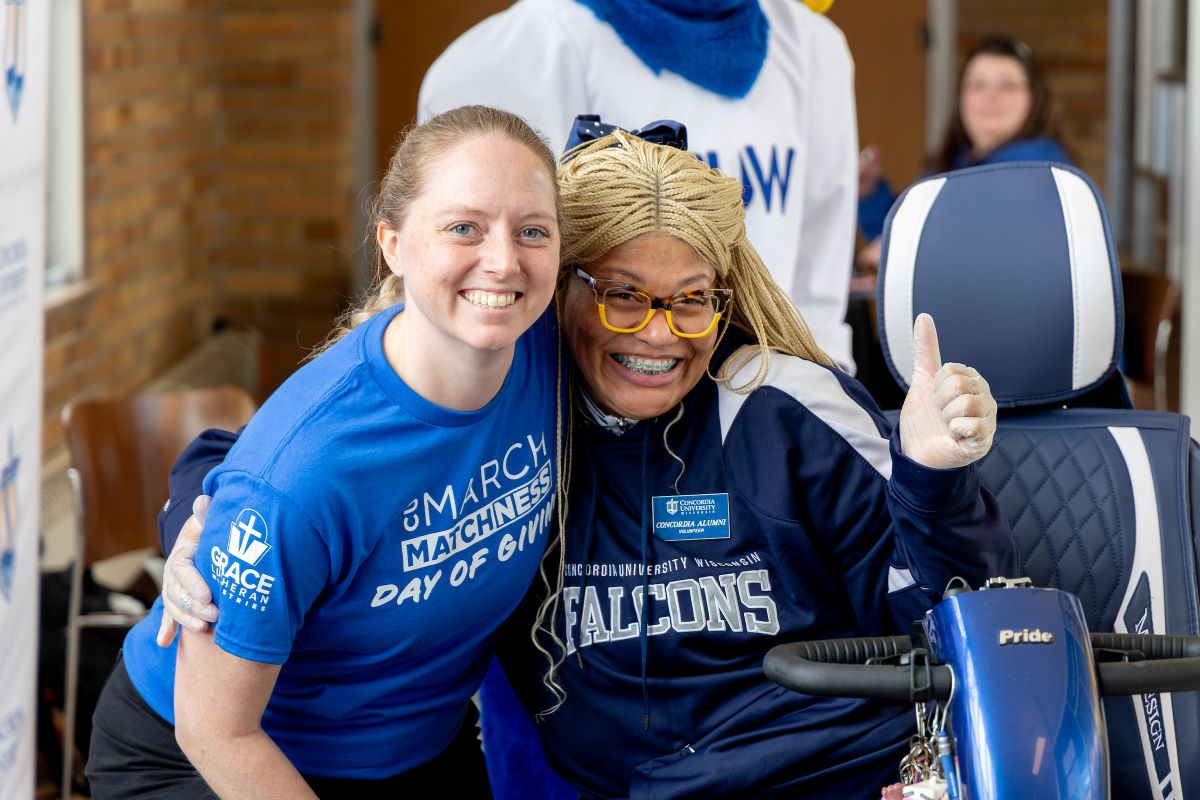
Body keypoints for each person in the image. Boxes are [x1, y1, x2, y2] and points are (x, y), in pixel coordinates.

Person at [158, 119, 1017, 797]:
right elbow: (281, 449)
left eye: (692, 300)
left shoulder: (779, 407)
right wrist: (203, 530)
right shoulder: (517, 383)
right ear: (560, 285)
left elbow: (957, 628)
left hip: (824, 778)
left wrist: (932, 478)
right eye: (622, 296)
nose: (658, 335)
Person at [84, 105, 565, 798]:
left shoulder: (551, 348)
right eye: (464, 227)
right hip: (206, 754)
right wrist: (203, 511)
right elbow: (216, 731)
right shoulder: (302, 474)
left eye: (532, 231)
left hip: (409, 741)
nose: (503, 261)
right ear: (393, 244)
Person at [418, 0, 860, 372]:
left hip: (759, 390)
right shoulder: (521, 50)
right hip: (588, 407)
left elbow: (818, 270)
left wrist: (819, 396)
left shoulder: (812, 46)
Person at [858, 35, 1070, 266]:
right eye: (977, 84)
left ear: (1035, 97)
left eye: (1007, 85)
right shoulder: (954, 162)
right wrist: (870, 191)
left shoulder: (1040, 170)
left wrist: (903, 249)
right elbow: (901, 228)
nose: (990, 95)